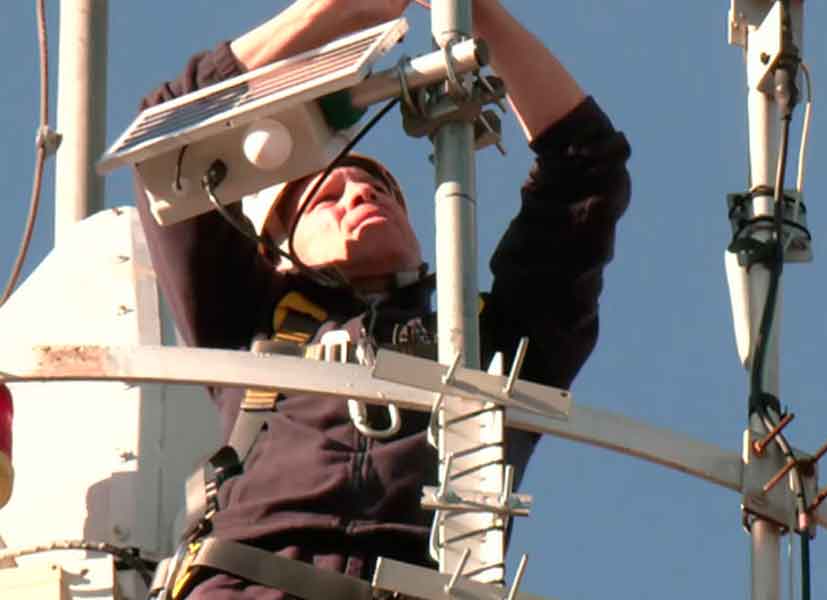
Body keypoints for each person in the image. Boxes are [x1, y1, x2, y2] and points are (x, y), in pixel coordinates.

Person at [135, 1, 631, 598]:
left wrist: (476, 14)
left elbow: (588, 171)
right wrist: (342, 9)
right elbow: (169, 134)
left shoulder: (485, 346)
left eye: (379, 189)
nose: (360, 197)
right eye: (327, 197)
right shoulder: (247, 323)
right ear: (274, 250)